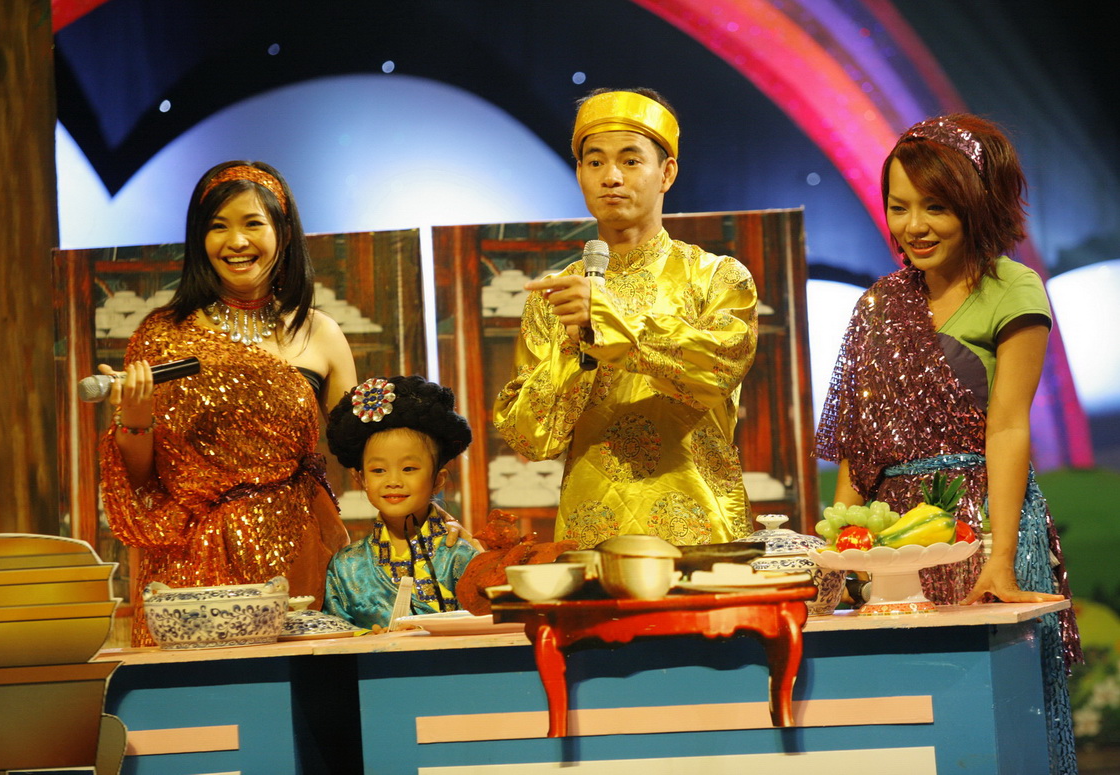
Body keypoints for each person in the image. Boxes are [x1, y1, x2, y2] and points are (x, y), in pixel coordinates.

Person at [815, 114, 1082, 773]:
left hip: (981, 524)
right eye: (899, 207)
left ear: (975, 203)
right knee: (901, 718)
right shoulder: (877, 305)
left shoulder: (1012, 288)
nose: (915, 226)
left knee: (991, 713)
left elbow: (1008, 426)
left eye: (935, 206)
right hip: (892, 540)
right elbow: (858, 448)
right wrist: (841, 558)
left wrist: (997, 558)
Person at [98, 160, 356, 646]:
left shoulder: (319, 332)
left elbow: (363, 452)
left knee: (303, 685)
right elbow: (140, 480)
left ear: (283, 232)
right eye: (218, 227)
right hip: (191, 565)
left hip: (298, 553)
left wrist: (425, 521)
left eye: (252, 223)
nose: (236, 242)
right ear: (200, 239)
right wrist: (134, 415)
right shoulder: (161, 335)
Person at [492, 88, 759, 548]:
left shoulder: (717, 276)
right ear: (579, 173)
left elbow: (719, 369)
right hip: (592, 536)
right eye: (595, 162)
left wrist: (613, 326)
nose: (611, 177)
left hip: (700, 533)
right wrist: (572, 347)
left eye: (630, 161)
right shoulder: (557, 296)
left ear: (666, 172)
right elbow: (530, 439)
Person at [323, 376, 478, 629]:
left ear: (438, 480)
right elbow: (334, 630)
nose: (393, 481)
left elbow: (482, 627)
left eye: (408, 468)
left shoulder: (460, 556)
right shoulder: (346, 565)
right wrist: (365, 637)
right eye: (378, 471)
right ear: (360, 478)